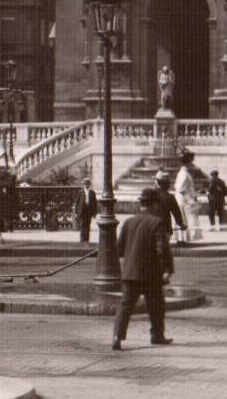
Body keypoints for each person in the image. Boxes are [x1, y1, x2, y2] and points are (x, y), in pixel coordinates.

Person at [111, 187, 174, 351]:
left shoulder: (128, 222)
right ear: (153, 205)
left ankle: (117, 336)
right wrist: (167, 270)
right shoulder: (157, 223)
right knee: (156, 306)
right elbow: (162, 250)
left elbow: (119, 248)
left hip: (130, 273)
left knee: (125, 306)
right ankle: (157, 335)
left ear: (141, 204)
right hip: (150, 274)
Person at [174, 149, 201, 242]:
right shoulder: (184, 174)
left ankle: (184, 237)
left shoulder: (184, 173)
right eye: (190, 162)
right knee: (185, 218)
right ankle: (182, 238)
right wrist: (192, 196)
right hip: (184, 200)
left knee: (185, 218)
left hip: (183, 198)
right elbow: (181, 189)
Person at [73, 176, 98, 244]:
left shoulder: (92, 193)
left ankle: (87, 240)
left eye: (87, 184)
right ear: (83, 184)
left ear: (89, 184)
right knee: (82, 225)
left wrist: (94, 213)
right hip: (82, 210)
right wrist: (75, 212)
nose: (86, 185)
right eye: (85, 184)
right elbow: (77, 203)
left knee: (87, 225)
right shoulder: (80, 192)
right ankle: (82, 240)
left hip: (88, 210)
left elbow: (95, 203)